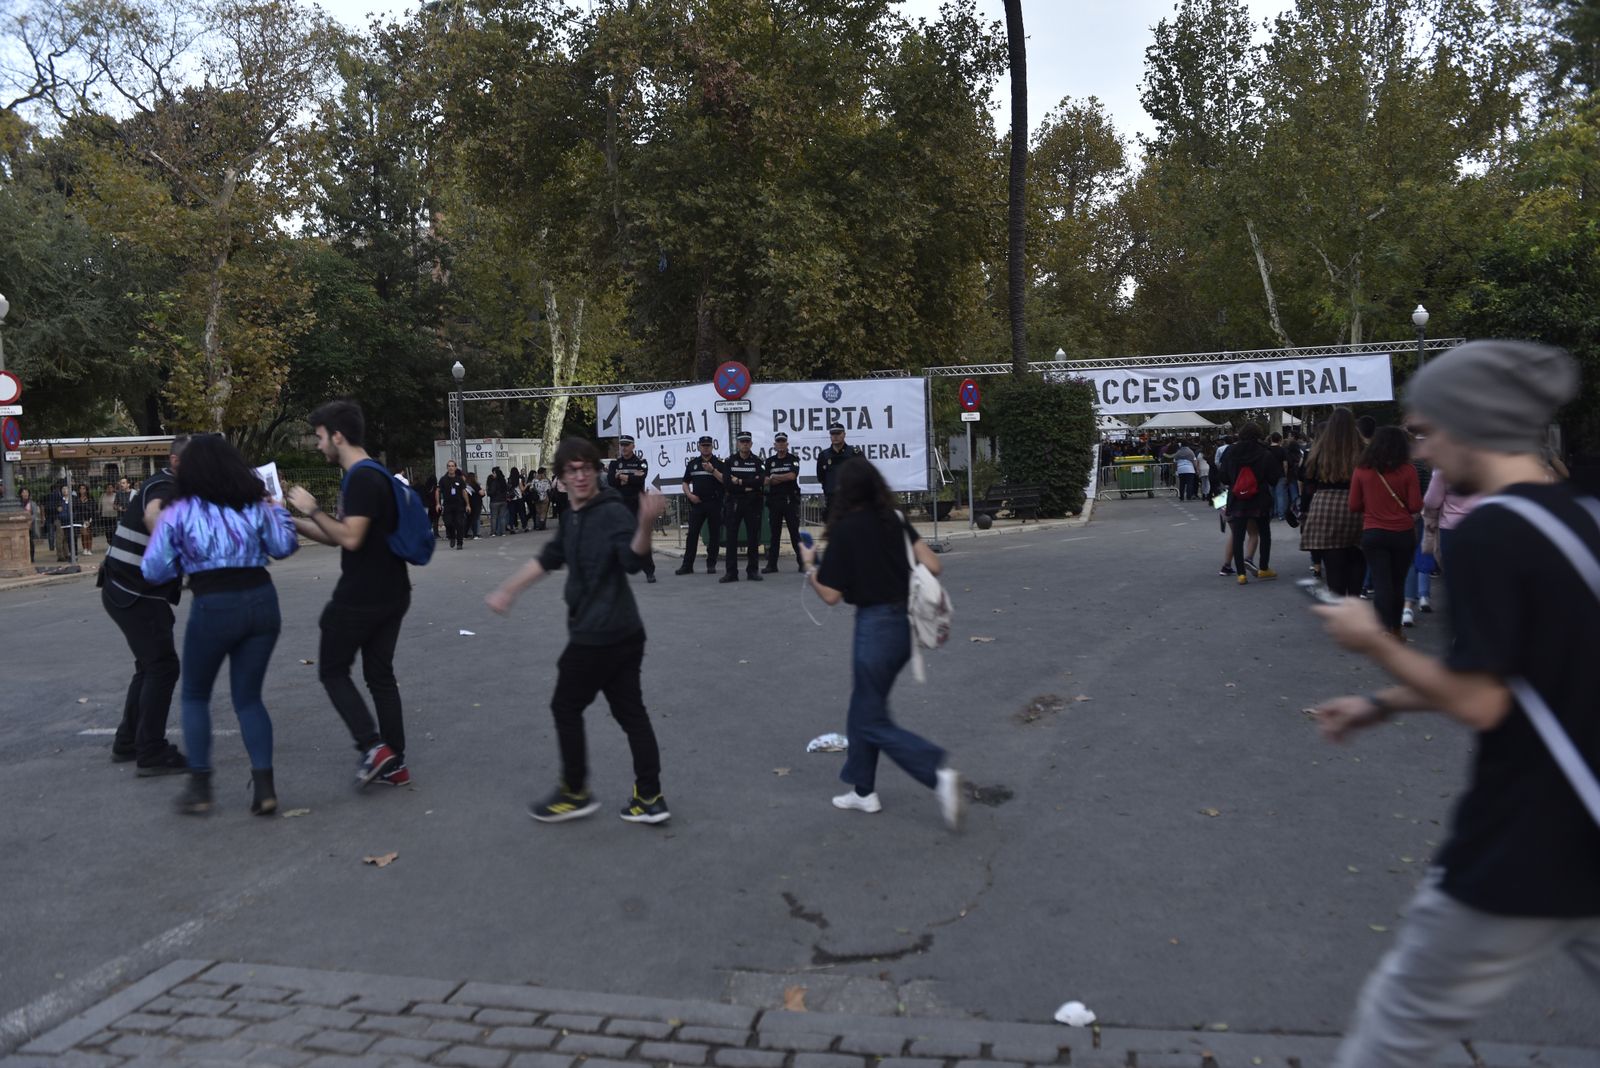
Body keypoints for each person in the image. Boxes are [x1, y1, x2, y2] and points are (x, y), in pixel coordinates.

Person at [1313, 339, 1599, 1067]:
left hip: (1522, 840)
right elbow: (1519, 671)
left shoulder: (1491, 532)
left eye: (1428, 431)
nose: (1426, 452)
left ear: (1472, 424)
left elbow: (1478, 699)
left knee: (1395, 1029)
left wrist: (1371, 641)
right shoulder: (1580, 517)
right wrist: (1381, 705)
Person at [487, 437, 671, 825]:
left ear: (595, 472)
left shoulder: (611, 512)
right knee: (631, 713)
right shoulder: (571, 517)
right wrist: (508, 590)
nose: (580, 475)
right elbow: (548, 559)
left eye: (586, 467)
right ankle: (650, 797)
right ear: (560, 479)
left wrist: (645, 525)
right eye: (571, 470)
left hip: (600, 636)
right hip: (619, 633)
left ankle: (574, 791)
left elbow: (632, 562)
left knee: (565, 706)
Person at [801, 456, 965, 830]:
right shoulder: (896, 520)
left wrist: (810, 567)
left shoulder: (845, 530)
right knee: (864, 706)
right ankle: (863, 791)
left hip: (873, 628)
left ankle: (936, 773)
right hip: (904, 626)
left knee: (870, 717)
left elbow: (830, 596)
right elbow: (934, 567)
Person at [140, 434, 299, 816]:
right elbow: (283, 546)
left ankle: (200, 786)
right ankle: (264, 787)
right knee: (249, 698)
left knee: (196, 694)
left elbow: (153, 569)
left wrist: (180, 553)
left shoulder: (179, 511)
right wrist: (276, 509)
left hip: (214, 603)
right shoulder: (255, 505)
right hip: (262, 600)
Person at [286, 400, 415, 789]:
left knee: (332, 669)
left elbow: (350, 537)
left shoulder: (361, 478)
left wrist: (311, 508)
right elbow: (337, 538)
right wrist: (292, 520)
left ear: (337, 436)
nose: (317, 444)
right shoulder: (370, 474)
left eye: (320, 437)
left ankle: (373, 747)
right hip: (392, 590)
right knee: (380, 675)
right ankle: (394, 762)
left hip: (363, 594)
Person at [100, 438, 190, 776]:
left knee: (150, 666)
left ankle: (128, 741)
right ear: (175, 461)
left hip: (127, 590)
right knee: (163, 667)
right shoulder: (166, 484)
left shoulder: (179, 486)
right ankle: (151, 750)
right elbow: (155, 512)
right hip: (134, 593)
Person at [1350, 426, 1422, 637]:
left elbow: (1354, 505)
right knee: (1397, 583)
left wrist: (1372, 505)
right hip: (1402, 533)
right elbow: (1416, 505)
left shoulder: (1362, 470)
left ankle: (1382, 629)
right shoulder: (1408, 470)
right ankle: (1396, 629)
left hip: (1373, 532)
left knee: (1382, 583)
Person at [1299, 408, 1367, 597]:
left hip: (1325, 505)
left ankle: (1339, 606)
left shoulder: (1319, 450)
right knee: (1357, 557)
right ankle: (1354, 601)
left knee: (1333, 562)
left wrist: (1304, 511)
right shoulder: (1363, 449)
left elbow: (1308, 483)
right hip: (1357, 505)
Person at [1218, 424, 1279, 584]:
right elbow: (1274, 477)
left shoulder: (1230, 452)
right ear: (1258, 434)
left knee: (1238, 535)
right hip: (1260, 498)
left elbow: (1223, 476)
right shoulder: (1265, 452)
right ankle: (1264, 567)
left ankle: (1241, 574)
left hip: (1237, 499)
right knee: (1264, 533)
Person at [606, 435, 657, 582]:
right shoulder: (615, 464)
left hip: (637, 505)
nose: (624, 447)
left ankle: (649, 571)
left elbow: (640, 479)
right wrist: (629, 478)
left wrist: (622, 477)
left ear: (633, 446)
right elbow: (611, 481)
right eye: (622, 445)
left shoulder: (641, 463)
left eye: (627, 445)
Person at [675, 435, 725, 575]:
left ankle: (711, 564)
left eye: (708, 445)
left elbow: (725, 481)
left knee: (714, 535)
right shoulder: (693, 463)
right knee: (692, 534)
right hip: (697, 503)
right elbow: (685, 482)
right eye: (703, 445)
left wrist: (712, 470)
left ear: (712, 447)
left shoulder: (719, 463)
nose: (705, 447)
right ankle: (687, 565)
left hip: (714, 503)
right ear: (699, 447)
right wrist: (689, 495)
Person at [721, 430, 765, 583]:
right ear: (738, 444)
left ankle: (752, 571)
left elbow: (760, 482)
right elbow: (727, 483)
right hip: (734, 502)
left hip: (752, 503)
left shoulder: (757, 461)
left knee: (753, 537)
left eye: (747, 441)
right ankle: (731, 573)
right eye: (742, 441)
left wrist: (739, 482)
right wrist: (747, 486)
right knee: (731, 538)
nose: (745, 444)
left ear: (751, 444)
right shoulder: (729, 461)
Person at [763, 431, 804, 573]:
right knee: (774, 534)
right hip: (774, 501)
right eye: (778, 442)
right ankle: (772, 565)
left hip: (789, 501)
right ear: (774, 445)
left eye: (783, 442)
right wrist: (779, 477)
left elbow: (792, 476)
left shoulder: (793, 459)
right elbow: (766, 480)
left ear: (787, 444)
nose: (781, 444)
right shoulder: (769, 461)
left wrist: (774, 476)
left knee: (794, 533)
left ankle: (802, 563)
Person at [815, 422, 862, 518]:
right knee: (834, 530)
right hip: (832, 500)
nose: (835, 436)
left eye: (838, 433)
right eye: (833, 434)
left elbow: (863, 474)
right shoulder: (823, 455)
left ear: (844, 434)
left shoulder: (855, 453)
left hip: (851, 499)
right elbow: (821, 477)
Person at [437, 459, 468, 549]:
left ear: (455, 467)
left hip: (459, 505)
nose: (451, 468)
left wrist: (467, 504)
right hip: (447, 505)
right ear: (447, 468)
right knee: (448, 523)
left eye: (452, 466)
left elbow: (464, 492)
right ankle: (452, 536)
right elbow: (437, 491)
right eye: (449, 466)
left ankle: (459, 543)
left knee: (459, 524)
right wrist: (438, 503)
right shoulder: (443, 479)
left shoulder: (460, 479)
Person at [487, 466, 508, 537]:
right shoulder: (503, 481)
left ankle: (493, 532)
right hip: (503, 501)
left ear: (495, 473)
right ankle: (503, 532)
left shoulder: (494, 482)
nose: (493, 475)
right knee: (502, 517)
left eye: (493, 473)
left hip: (495, 501)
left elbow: (491, 492)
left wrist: (488, 492)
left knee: (494, 517)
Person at [17, 486, 35, 563]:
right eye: (23, 492)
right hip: (21, 525)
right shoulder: (18, 503)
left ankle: (31, 557)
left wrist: (30, 520)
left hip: (30, 525)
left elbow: (34, 514)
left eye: (26, 492)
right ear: (20, 494)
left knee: (30, 541)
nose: (25, 494)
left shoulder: (32, 503)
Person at [75, 483, 95, 553]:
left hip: (89, 519)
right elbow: (76, 509)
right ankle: (85, 549)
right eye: (80, 488)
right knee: (83, 534)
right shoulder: (76, 499)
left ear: (86, 490)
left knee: (89, 534)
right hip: (80, 519)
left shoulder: (90, 498)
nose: (82, 490)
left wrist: (89, 520)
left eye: (83, 488)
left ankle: (89, 549)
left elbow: (93, 509)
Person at [464, 471, 483, 538]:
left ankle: (465, 533)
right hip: (476, 503)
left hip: (469, 503)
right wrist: (483, 491)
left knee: (469, 519)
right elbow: (481, 493)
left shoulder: (466, 485)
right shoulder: (475, 485)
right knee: (475, 519)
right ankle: (475, 534)